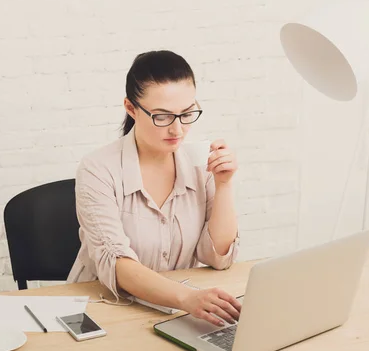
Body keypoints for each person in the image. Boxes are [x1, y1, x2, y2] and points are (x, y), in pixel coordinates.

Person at [66, 50, 241, 327]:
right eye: (162, 117)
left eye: (187, 114)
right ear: (131, 108)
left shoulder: (199, 163)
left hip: (178, 312)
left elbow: (216, 258)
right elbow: (118, 265)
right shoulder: (97, 170)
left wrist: (224, 185)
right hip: (105, 310)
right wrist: (188, 298)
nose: (178, 130)